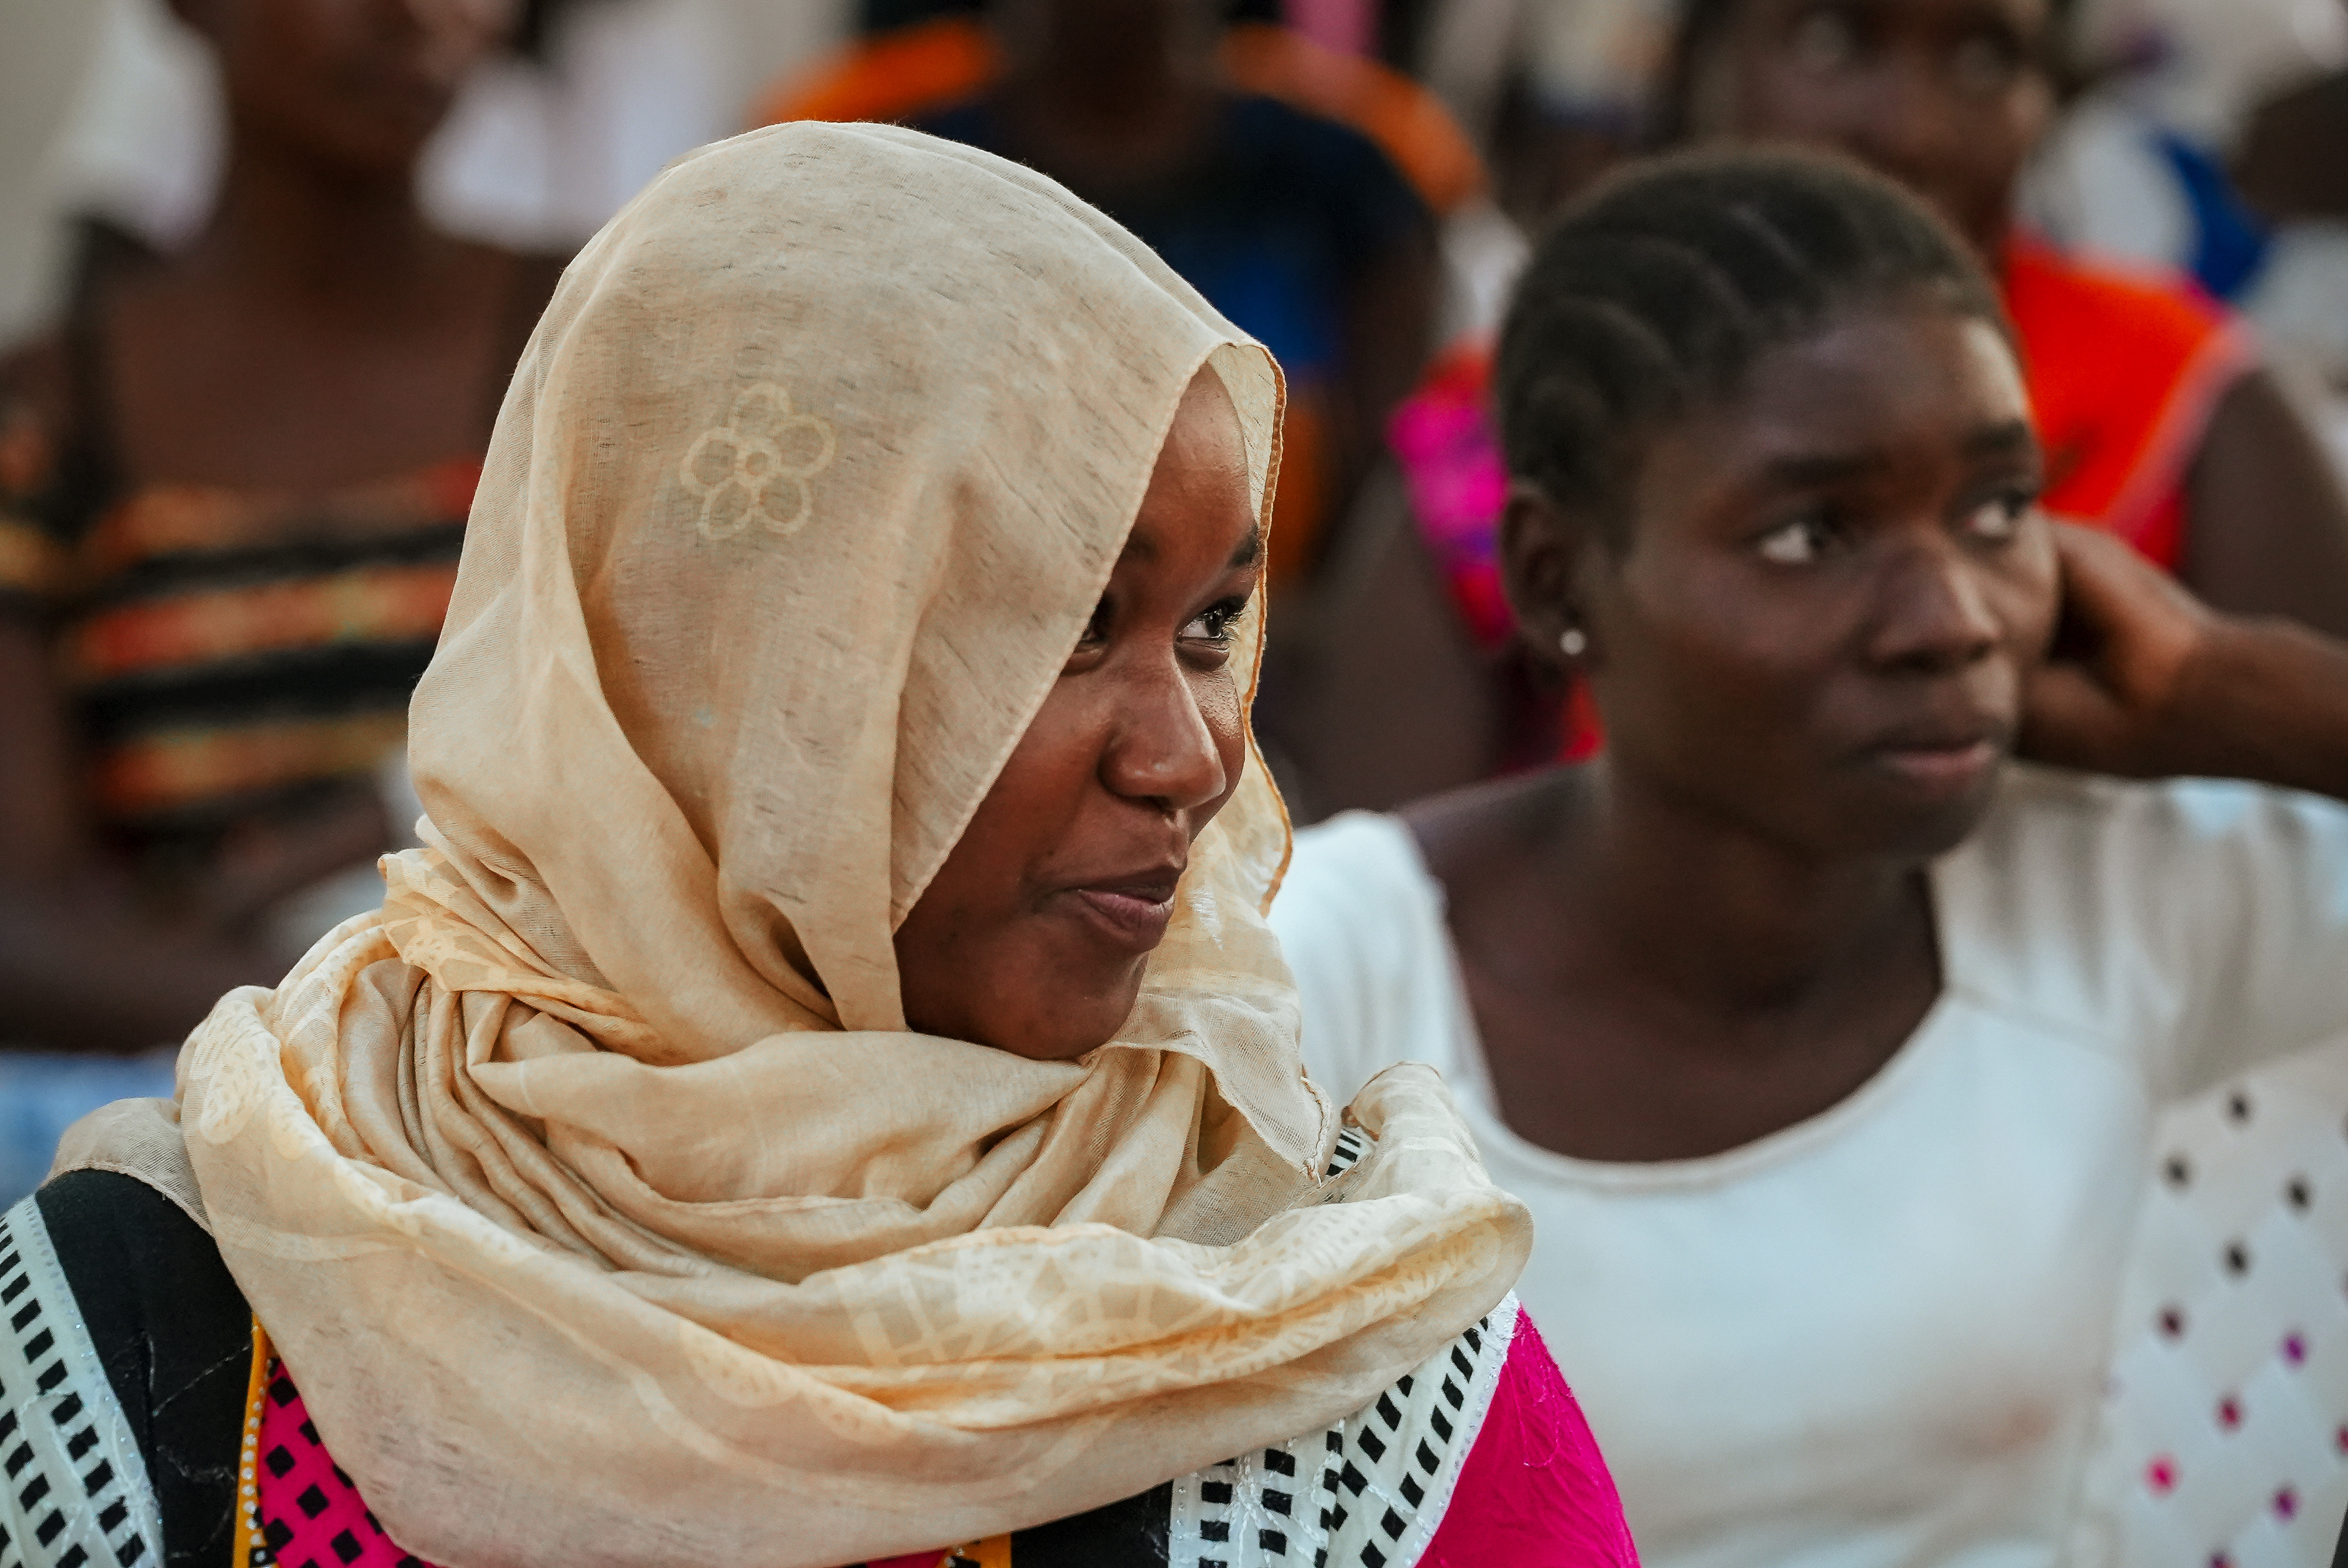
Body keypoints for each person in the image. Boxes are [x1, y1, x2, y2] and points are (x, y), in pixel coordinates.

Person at [0, 123, 1640, 1568]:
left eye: (1214, 623)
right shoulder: (177, 1300)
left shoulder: (1339, 1374)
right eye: (1066, 629)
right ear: (736, 660)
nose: (1196, 754)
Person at [1271, 147, 2348, 1566]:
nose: (1950, 617)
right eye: (1811, 531)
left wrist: (2231, 693)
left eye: (1997, 508)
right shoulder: (1332, 976)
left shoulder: (2125, 894)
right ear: (1552, 575)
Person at [1295, 0, 2348, 816]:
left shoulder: (2186, 392)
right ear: (1697, 60)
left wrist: (2204, 704)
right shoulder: (1522, 412)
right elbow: (1391, 870)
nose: (1911, 126)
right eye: (1833, 39)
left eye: (1985, 56)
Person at [0, 0, 565, 1070]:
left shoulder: (589, 342)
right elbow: (16, 931)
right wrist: (369, 1026)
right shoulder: (51, 422)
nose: (416, 18)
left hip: (538, 1076)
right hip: (222, 1088)